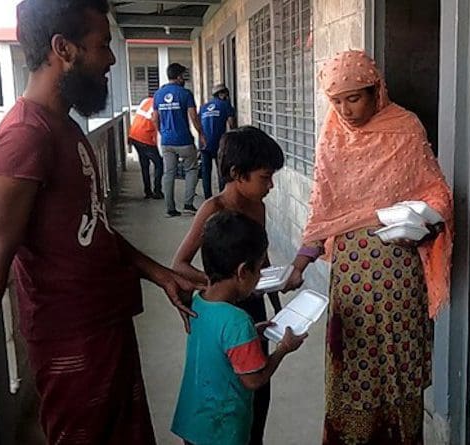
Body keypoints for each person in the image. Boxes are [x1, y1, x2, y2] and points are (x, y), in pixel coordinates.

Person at [0, 1, 197, 443]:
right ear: (62, 48)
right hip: (71, 344)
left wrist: (161, 274)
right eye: (102, 45)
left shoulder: (63, 125)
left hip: (107, 325)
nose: (110, 58)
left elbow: (94, 228)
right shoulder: (22, 138)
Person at [282, 50, 454, 444]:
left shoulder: (405, 127)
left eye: (354, 98)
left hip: (398, 275)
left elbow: (436, 190)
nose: (345, 109)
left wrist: (424, 216)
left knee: (399, 364)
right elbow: (323, 203)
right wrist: (300, 262)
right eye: (336, 100)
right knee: (353, 363)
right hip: (351, 280)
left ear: (376, 90)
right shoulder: (333, 134)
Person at [172, 126, 285, 445]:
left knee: (257, 392)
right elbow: (179, 264)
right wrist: (222, 283)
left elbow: (258, 259)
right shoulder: (213, 209)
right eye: (265, 177)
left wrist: (277, 281)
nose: (271, 185)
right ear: (237, 173)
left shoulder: (257, 207)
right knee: (226, 383)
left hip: (251, 304)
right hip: (223, 304)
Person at [171, 211, 307, 445]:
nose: (260, 277)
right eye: (259, 270)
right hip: (222, 429)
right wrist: (283, 349)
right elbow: (254, 380)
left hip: (193, 422)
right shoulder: (238, 319)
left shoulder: (198, 302)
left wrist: (252, 333)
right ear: (243, 271)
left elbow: (219, 344)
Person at [153, 63, 205, 217]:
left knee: (168, 173)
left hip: (167, 142)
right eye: (183, 76)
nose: (184, 79)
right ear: (178, 77)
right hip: (184, 140)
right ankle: (188, 205)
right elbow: (194, 117)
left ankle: (170, 209)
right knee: (191, 169)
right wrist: (201, 133)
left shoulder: (158, 94)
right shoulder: (185, 94)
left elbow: (154, 118)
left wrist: (162, 132)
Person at [199, 83, 237, 199]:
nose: (227, 96)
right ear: (221, 94)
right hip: (218, 143)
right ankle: (222, 196)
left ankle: (208, 198)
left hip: (204, 143)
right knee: (221, 170)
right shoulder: (225, 105)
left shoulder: (204, 106)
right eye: (226, 94)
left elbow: (198, 123)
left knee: (206, 172)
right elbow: (231, 124)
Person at [129, 95, 164, 199]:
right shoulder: (159, 105)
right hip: (145, 137)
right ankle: (157, 191)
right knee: (159, 164)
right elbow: (155, 119)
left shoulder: (146, 101)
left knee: (144, 164)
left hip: (134, 135)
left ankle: (147, 191)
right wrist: (161, 132)